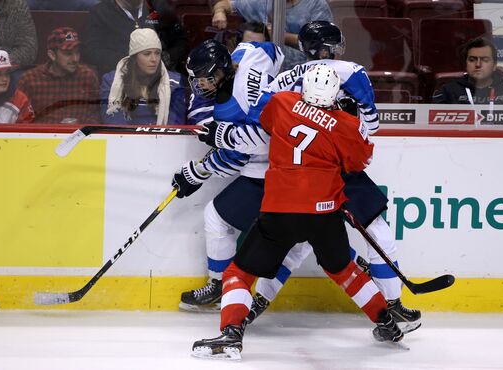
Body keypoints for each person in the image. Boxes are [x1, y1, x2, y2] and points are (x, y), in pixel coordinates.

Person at [192, 21, 421, 332]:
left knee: (296, 244)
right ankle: (393, 307)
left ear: (304, 49)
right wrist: (341, 123)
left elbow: (262, 133)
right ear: (336, 47)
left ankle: (256, 303)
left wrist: (224, 135)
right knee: (375, 231)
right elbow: (370, 130)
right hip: (339, 169)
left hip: (295, 177)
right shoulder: (352, 71)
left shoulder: (282, 83)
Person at [171, 39, 284, 311]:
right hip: (282, 163)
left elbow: (238, 159)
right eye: (197, 81)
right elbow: (274, 51)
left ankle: (221, 287)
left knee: (219, 217)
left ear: (221, 72)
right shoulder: (249, 55)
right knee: (314, 239)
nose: (201, 87)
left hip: (273, 171)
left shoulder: (230, 110)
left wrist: (198, 171)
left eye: (206, 80)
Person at [211, 0, 333, 70]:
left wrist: (277, 34)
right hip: (263, 75)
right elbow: (225, 3)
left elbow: (323, 44)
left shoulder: (316, 5)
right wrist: (219, 12)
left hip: (301, 74)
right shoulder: (262, 2)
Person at [99, 28, 186, 125]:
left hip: (163, 138)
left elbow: (176, 123)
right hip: (125, 138)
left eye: (157, 53)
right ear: (134, 57)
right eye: (147, 54)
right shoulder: (112, 81)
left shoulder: (176, 82)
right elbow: (112, 120)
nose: (154, 59)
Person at [18, 27, 100, 124]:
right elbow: (21, 119)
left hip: (81, 136)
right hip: (42, 137)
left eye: (77, 52)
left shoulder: (88, 76)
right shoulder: (30, 79)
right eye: (68, 54)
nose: (75, 59)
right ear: (52, 55)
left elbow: (95, 114)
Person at [84, 0, 188, 76]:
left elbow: (181, 40)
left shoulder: (159, 7)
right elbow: (92, 50)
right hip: (121, 75)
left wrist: (169, 56)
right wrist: (130, 62)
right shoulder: (100, 12)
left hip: (161, 73)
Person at [432, 37, 503, 105]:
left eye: (485, 60)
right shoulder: (448, 90)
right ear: (466, 64)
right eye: (472, 60)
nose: (478, 64)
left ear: (494, 65)